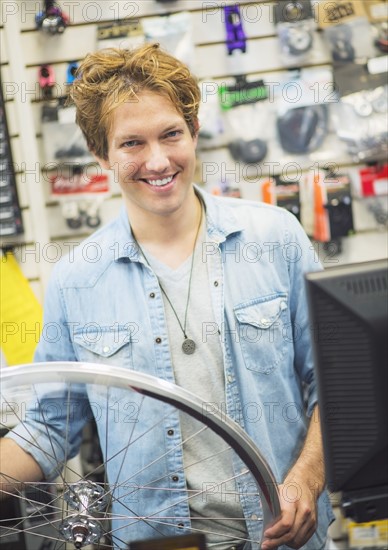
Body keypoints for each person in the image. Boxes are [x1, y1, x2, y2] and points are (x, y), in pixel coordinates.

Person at [0, 44, 334, 549]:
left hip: (280, 537)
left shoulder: (275, 238)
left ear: (194, 131)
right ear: (101, 154)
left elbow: (333, 387)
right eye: (132, 143)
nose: (158, 160)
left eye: (171, 134)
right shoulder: (76, 278)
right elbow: (49, 428)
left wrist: (307, 478)